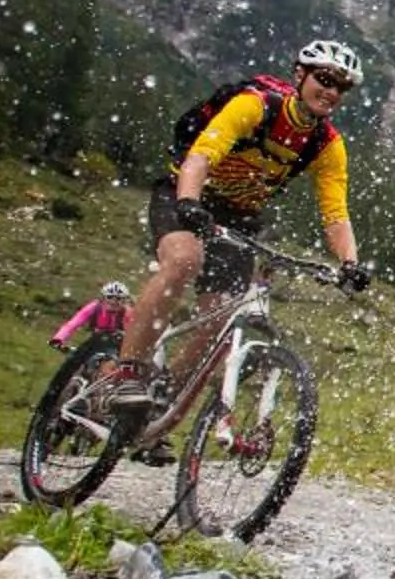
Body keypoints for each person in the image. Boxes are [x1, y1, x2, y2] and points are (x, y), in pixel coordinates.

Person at [102, 39, 373, 407]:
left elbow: (335, 214)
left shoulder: (327, 145)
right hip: (186, 193)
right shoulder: (255, 105)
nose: (331, 92)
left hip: (240, 216)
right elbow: (200, 156)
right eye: (324, 79)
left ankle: (163, 404)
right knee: (184, 260)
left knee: (222, 315)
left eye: (341, 86)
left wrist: (349, 263)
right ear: (300, 74)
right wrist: (188, 203)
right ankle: (127, 371)